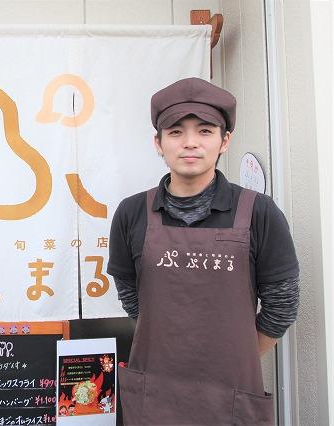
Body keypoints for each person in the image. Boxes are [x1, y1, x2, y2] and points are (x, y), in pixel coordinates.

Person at [108, 78, 299, 425]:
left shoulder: (258, 212)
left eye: (205, 131)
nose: (190, 143)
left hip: (231, 394)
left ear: (225, 141)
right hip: (156, 392)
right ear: (158, 142)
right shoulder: (132, 213)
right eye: (176, 132)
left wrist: (232, 357)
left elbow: (282, 306)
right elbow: (129, 294)